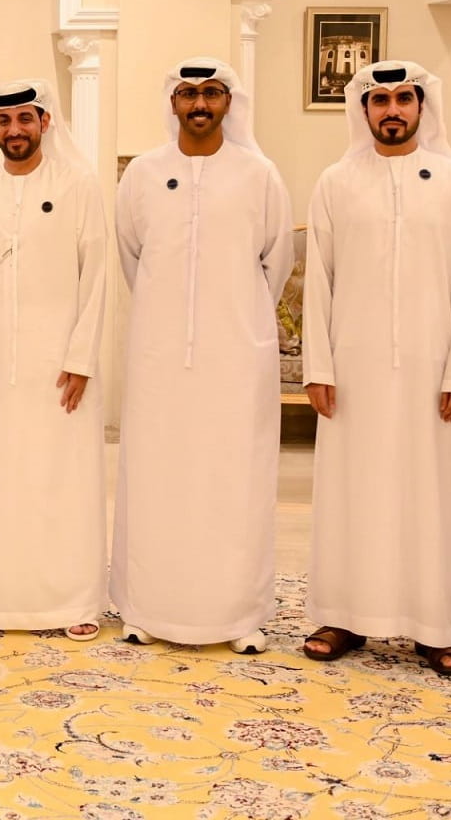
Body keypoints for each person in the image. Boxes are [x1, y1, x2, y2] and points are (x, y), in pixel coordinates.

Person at [300, 60, 451, 676]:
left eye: (404, 99)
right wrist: (319, 365)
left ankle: (435, 627)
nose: (392, 111)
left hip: (433, 369)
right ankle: (343, 616)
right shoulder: (336, 182)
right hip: (353, 367)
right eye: (380, 101)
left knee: (430, 496)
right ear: (364, 111)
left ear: (421, 108)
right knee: (349, 492)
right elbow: (319, 278)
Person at [112, 58, 292, 654]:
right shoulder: (143, 174)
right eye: (188, 93)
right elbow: (133, 258)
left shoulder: (259, 174)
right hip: (159, 357)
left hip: (236, 359)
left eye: (211, 93)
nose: (199, 104)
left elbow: (275, 262)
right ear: (173, 103)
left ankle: (237, 613)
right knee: (157, 476)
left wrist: (233, 319)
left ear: (228, 103)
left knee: (232, 480)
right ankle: (146, 607)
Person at [0, 79, 107, 640]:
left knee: (61, 481)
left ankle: (69, 602)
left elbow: (96, 276)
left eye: (25, 118)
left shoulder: (78, 184)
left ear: (45, 123)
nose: (15, 129)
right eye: (4, 120)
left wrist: (81, 358)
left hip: (59, 368)